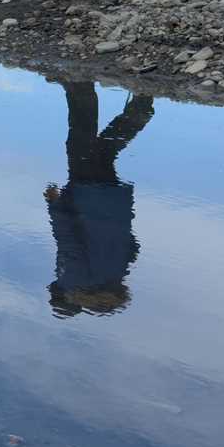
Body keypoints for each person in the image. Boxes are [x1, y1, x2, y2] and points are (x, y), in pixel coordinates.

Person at [45, 81, 150, 316]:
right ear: (61, 294)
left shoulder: (114, 278)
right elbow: (68, 240)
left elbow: (133, 248)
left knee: (103, 152)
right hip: (86, 198)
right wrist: (54, 204)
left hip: (112, 202)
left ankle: (140, 107)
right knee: (80, 141)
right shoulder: (72, 279)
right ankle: (80, 87)